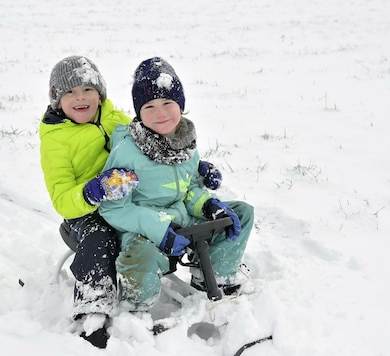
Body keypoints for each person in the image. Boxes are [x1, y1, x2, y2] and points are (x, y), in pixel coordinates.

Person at [39, 55, 223, 348]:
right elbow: (62, 198)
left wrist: (193, 166)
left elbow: (153, 144)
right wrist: (93, 191)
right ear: (56, 100)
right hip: (84, 211)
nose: (80, 98)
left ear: (100, 94)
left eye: (88, 90)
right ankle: (93, 307)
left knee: (152, 222)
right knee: (100, 237)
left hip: (126, 198)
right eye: (70, 93)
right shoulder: (56, 140)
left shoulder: (114, 118)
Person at [98, 57, 254, 313]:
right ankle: (136, 306)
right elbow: (113, 209)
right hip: (143, 228)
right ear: (138, 112)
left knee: (242, 213)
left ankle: (215, 277)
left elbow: (189, 188)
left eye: (167, 103)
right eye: (150, 106)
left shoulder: (186, 144)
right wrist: (159, 229)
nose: (160, 113)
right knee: (141, 255)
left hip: (183, 221)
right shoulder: (126, 151)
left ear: (181, 105)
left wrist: (208, 205)